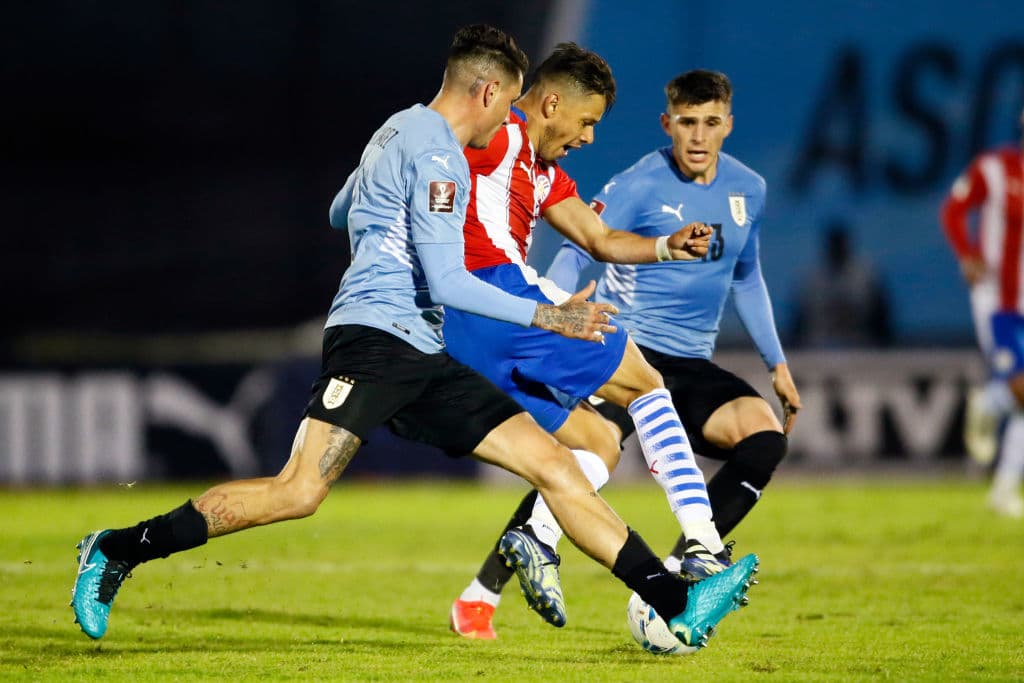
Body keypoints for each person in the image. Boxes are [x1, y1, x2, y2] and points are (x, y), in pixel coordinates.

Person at [69, 25, 759, 649]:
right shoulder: (442, 157)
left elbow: (340, 209)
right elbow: (450, 281)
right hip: (375, 342)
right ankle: (117, 548)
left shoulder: (392, 132)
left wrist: (381, 236)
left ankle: (677, 601)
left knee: (555, 464)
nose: (508, 123)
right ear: (487, 92)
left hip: (425, 349)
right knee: (297, 491)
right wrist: (548, 316)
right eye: (507, 107)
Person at [445, 58, 763, 639]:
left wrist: (666, 247)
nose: (588, 138)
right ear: (551, 105)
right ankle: (703, 545)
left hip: (470, 334)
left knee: (596, 443)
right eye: (586, 122)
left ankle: (529, 543)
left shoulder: (542, 173)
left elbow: (598, 238)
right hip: (499, 296)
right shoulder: (499, 134)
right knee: (646, 383)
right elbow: (440, 139)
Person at [940, 105, 1024, 518]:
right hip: (997, 301)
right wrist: (967, 254)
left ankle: (1004, 490)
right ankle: (990, 402)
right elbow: (953, 210)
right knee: (1021, 388)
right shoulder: (994, 168)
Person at [791, 221, 891, 348]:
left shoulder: (866, 276)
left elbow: (882, 321)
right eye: (835, 246)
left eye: (840, 246)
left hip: (861, 346)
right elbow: (798, 323)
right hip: (818, 347)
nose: (838, 250)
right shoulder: (811, 280)